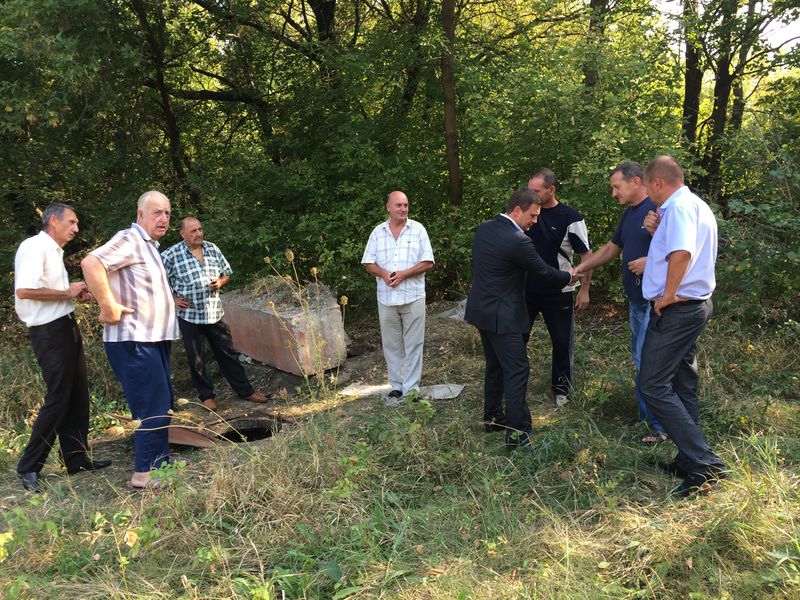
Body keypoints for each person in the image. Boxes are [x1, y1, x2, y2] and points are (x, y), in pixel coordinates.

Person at [638, 156, 728, 497]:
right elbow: (675, 249)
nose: (647, 194)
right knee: (682, 382)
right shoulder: (695, 205)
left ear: (658, 182)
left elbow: (681, 254)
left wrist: (667, 296)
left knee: (652, 384)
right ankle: (690, 460)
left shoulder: (677, 208)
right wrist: (655, 233)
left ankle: (707, 465)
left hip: (678, 309)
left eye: (647, 186)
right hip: (693, 306)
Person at [81, 191, 180, 490]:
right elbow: (91, 263)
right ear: (140, 215)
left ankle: (161, 462)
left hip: (154, 338)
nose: (163, 218)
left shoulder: (151, 247)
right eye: (156, 213)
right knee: (150, 404)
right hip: (134, 339)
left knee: (162, 402)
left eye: (166, 213)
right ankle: (144, 474)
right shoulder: (130, 239)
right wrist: (107, 304)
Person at [465, 188, 573, 450]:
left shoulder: (485, 229)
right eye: (533, 216)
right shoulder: (518, 240)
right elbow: (543, 272)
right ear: (516, 211)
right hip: (504, 316)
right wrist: (569, 276)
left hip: (482, 311)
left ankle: (492, 418)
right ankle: (518, 435)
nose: (535, 221)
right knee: (517, 369)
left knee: (495, 366)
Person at [13, 203, 111, 492]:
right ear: (53, 221)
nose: (76, 228)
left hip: (64, 324)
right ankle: (29, 466)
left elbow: (52, 294)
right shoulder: (34, 247)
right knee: (58, 397)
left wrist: (72, 295)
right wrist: (66, 293)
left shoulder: (54, 251)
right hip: (48, 332)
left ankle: (76, 458)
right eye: (72, 222)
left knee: (78, 394)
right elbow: (25, 291)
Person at [571, 162, 667, 443]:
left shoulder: (658, 208)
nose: (613, 193)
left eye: (617, 186)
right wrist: (580, 268)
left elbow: (680, 250)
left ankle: (661, 428)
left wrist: (650, 262)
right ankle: (647, 420)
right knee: (640, 360)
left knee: (650, 364)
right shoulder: (630, 213)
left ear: (637, 182)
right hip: (636, 301)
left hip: (655, 302)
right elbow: (613, 248)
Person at [161, 217, 268, 410]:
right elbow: (159, 280)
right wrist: (173, 298)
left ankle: (245, 391)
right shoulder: (171, 254)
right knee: (196, 357)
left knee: (228, 353)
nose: (199, 234)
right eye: (193, 231)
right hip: (190, 315)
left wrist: (220, 282)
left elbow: (227, 272)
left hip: (214, 313)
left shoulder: (212, 248)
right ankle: (206, 396)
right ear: (182, 233)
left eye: (200, 229)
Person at [525, 168, 593, 407]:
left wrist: (584, 290)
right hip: (526, 290)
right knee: (517, 338)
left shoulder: (570, 217)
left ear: (551, 190)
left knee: (562, 341)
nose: (531, 195)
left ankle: (562, 390)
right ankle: (516, 385)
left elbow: (587, 255)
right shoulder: (525, 212)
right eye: (529, 190)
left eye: (536, 191)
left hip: (559, 291)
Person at [362, 191, 435, 405]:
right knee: (391, 344)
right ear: (388, 207)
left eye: (406, 205)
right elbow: (368, 263)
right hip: (386, 298)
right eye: (398, 205)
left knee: (414, 343)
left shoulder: (418, 230)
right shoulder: (378, 232)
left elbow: (428, 262)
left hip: (412, 296)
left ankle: (411, 389)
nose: (403, 209)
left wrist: (404, 274)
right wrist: (384, 274)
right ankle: (396, 386)